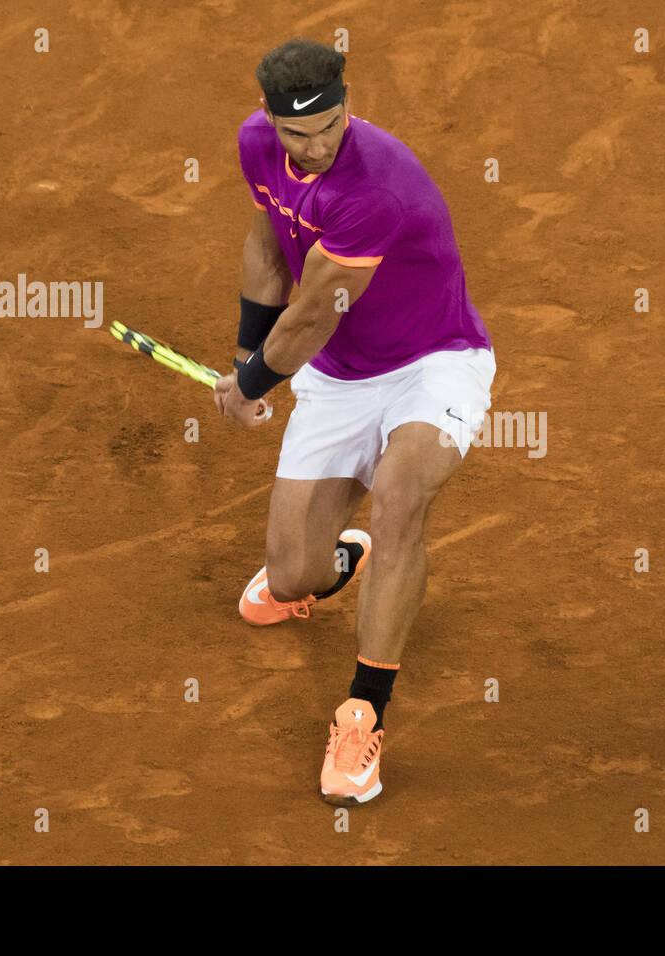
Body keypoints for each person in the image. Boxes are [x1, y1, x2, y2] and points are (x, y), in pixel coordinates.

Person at [212, 38, 495, 806]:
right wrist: (245, 347)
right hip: (341, 379)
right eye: (298, 135)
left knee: (402, 499)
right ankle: (342, 561)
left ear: (348, 101)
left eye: (330, 126)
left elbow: (313, 315)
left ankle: (363, 711)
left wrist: (250, 383)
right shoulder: (256, 144)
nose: (316, 146)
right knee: (286, 579)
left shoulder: (375, 189)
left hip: (433, 364)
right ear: (272, 123)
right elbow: (271, 244)